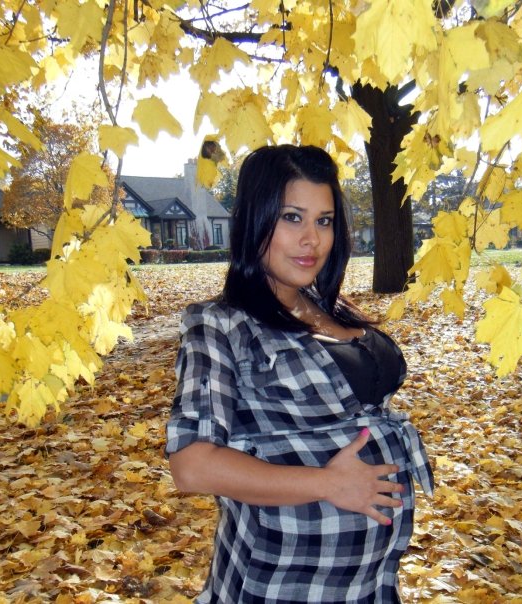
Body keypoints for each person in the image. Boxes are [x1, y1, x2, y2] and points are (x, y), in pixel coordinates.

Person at [166, 145, 434, 603]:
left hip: (369, 588)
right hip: (279, 587)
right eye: (292, 217)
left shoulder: (326, 307)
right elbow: (191, 465)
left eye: (324, 220)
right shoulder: (222, 325)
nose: (312, 239)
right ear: (256, 220)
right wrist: (327, 484)